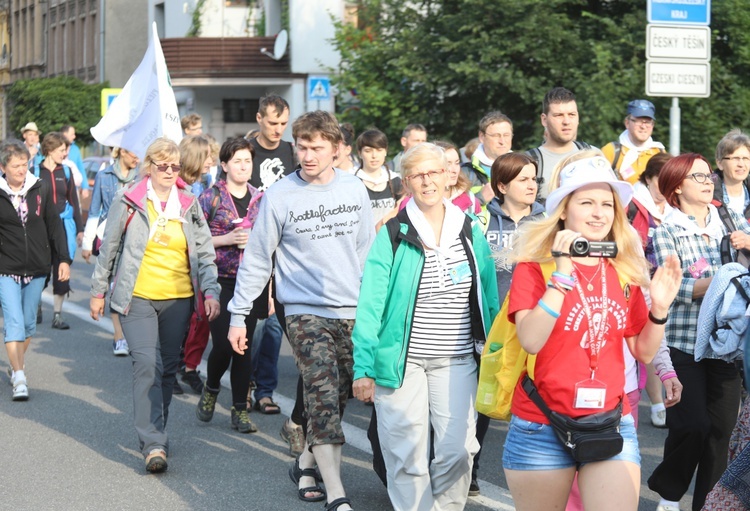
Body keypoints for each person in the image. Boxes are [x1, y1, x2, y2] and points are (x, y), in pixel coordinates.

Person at [501, 154, 681, 510]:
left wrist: (659, 311)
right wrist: (562, 275)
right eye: (586, 203)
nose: (599, 213)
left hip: (611, 422)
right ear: (564, 210)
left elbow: (643, 352)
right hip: (541, 425)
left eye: (606, 204)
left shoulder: (624, 269)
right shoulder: (535, 268)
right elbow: (531, 340)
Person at [227, 111, 374, 511]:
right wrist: (239, 315)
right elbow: (258, 260)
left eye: (316, 148)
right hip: (303, 311)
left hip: (352, 309)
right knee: (323, 395)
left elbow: (367, 252)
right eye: (302, 148)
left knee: (338, 395)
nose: (307, 156)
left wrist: (373, 310)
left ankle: (306, 463)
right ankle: (337, 493)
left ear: (336, 149)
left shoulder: (354, 190)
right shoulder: (280, 195)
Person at [352, 142, 499, 510]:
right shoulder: (393, 232)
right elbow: (371, 304)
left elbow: (489, 295)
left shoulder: (469, 229)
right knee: (405, 455)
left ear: (448, 177)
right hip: (403, 364)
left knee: (459, 450)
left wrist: (496, 355)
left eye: (434, 172)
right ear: (406, 182)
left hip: (458, 359)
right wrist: (363, 367)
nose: (427, 181)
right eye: (418, 174)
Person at [89, 137, 220, 473]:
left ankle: (156, 428)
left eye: (174, 166)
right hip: (138, 296)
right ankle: (153, 442)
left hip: (178, 299)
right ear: (149, 165)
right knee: (147, 363)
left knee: (167, 368)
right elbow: (110, 248)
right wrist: (98, 291)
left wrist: (210, 292)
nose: (168, 171)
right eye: (161, 165)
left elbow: (205, 253)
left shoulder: (188, 204)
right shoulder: (130, 199)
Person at [648, 153, 750, 511]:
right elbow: (675, 287)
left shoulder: (732, 220)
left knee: (721, 435)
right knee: (691, 425)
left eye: (710, 176)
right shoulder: (665, 231)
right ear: (677, 187)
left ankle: (709, 505)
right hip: (682, 343)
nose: (709, 182)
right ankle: (669, 491)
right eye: (699, 177)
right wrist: (725, 278)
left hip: (727, 343)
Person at [195, 136, 264, 434]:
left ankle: (240, 410)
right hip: (219, 281)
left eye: (247, 161)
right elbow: (194, 241)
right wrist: (227, 239)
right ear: (224, 165)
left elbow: (270, 244)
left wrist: (271, 290)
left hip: (251, 282)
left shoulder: (261, 199)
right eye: (237, 160)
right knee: (224, 344)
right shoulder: (209, 198)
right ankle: (211, 388)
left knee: (243, 347)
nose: (243, 166)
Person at [0, 140, 71, 400]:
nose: (21, 169)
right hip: (6, 268)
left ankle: (15, 362)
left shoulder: (38, 188)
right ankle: (20, 377)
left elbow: (54, 225)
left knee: (29, 325)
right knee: (14, 322)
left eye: (24, 164)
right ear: (3, 167)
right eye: (15, 165)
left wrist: (63, 259)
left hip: (37, 269)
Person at [626, 152, 675, 428]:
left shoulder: (676, 206)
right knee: (650, 337)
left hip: (672, 283)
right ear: (648, 178)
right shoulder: (631, 204)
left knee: (660, 340)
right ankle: (656, 402)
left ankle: (665, 391)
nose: (668, 186)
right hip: (641, 282)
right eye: (662, 179)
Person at [81, 146, 140, 356]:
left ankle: (132, 334)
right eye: (133, 151)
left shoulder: (143, 176)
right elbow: (95, 211)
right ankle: (119, 337)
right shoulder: (104, 176)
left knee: (131, 287)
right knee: (115, 286)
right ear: (122, 151)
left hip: (135, 239)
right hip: (109, 237)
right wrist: (87, 243)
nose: (137, 156)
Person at [176, 134, 215, 395]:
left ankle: (187, 367)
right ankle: (171, 369)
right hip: (176, 267)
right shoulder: (176, 188)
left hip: (196, 263)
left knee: (198, 318)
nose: (212, 161)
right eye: (207, 156)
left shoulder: (200, 185)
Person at [35, 132, 83, 330]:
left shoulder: (67, 171)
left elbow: (74, 201)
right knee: (40, 269)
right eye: (62, 150)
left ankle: (57, 315)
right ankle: (35, 303)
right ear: (50, 150)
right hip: (40, 228)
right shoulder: (35, 171)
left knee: (62, 267)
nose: (65, 154)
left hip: (63, 227)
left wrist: (80, 229)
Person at [526, 87, 592, 199]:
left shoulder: (593, 155)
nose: (566, 121)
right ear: (544, 120)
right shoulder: (528, 162)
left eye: (572, 114)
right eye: (558, 115)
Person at [601, 100, 665, 184]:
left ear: (653, 125)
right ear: (627, 123)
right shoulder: (611, 151)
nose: (643, 126)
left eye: (648, 122)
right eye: (638, 121)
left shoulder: (659, 152)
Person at [462, 111, 514, 208]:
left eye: (506, 135)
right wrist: (480, 198)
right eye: (496, 136)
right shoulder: (465, 172)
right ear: (482, 137)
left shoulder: (522, 168)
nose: (502, 141)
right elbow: (452, 211)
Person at [354, 129, 403, 226]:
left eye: (379, 150)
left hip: (388, 238)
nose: (374, 156)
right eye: (368, 151)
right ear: (359, 153)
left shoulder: (395, 181)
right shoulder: (352, 182)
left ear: (385, 151)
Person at [248, 94, 296, 191]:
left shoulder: (294, 152)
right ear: (259, 118)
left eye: (283, 123)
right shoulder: (244, 151)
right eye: (273, 123)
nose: (279, 130)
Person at [713, 129, 750, 218]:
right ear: (720, 163)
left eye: (745, 158)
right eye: (735, 158)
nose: (741, 164)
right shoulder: (708, 197)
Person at [60, 124, 90, 199]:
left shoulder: (75, 149)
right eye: (72, 134)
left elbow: (81, 168)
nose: (74, 137)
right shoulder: (55, 147)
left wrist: (85, 186)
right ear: (64, 134)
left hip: (73, 189)